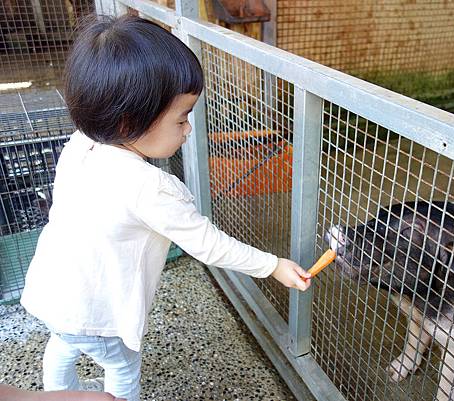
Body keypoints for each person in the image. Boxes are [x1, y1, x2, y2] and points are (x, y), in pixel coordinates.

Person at [20, 14, 311, 401]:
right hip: (97, 311)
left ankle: (59, 393)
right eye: (182, 118)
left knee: (62, 344)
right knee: (121, 365)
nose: (189, 129)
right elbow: (208, 244)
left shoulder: (81, 144)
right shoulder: (147, 187)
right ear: (128, 122)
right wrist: (272, 265)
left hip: (52, 291)